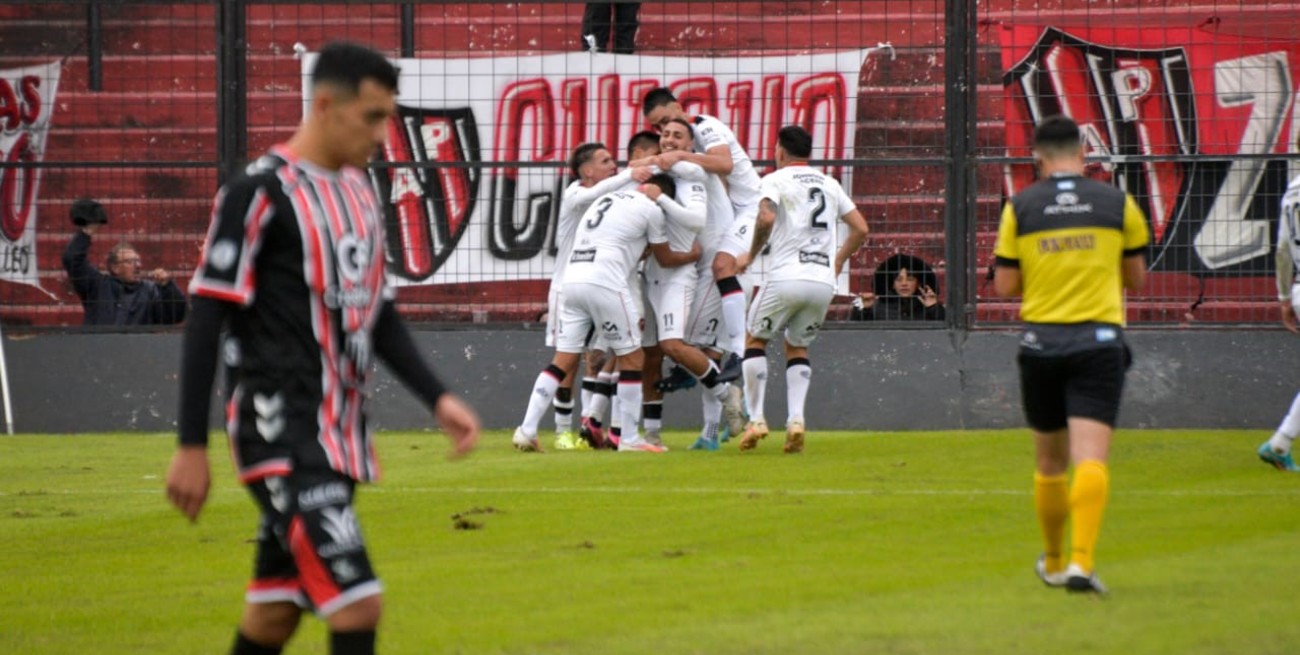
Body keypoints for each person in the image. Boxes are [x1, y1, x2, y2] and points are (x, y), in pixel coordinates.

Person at [164, 42, 480, 655]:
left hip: (337, 434)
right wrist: (189, 447)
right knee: (358, 603)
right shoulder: (257, 192)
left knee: (274, 613)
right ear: (326, 105)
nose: (383, 134)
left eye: (389, 116)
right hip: (281, 434)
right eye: (372, 117)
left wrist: (437, 397)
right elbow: (207, 313)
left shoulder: (360, 192)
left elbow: (376, 312)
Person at [992, 115, 1149, 595]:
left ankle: (1055, 561)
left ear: (1037, 156)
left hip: (1041, 344)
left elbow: (1006, 286)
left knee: (1050, 465)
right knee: (1091, 459)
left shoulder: (1020, 207)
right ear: (1083, 152)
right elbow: (1137, 279)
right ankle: (1082, 562)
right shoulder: (1118, 203)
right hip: (1097, 342)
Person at [511, 175, 699, 453]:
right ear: (662, 195)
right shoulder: (653, 209)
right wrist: (694, 254)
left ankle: (527, 429)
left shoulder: (605, 200)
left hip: (573, 281)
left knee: (562, 360)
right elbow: (665, 258)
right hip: (606, 282)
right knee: (633, 357)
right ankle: (630, 439)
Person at [735, 126, 868, 454]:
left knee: (754, 339)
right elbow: (861, 228)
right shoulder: (829, 183)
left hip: (786, 276)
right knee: (797, 347)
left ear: (779, 150)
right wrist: (838, 260)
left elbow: (766, 218)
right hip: (822, 282)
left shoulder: (774, 180)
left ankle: (757, 420)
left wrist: (750, 255)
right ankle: (796, 421)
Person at [642, 87, 764, 383]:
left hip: (754, 207)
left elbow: (724, 164)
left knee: (721, 266)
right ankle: (704, 363)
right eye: (658, 127)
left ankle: (738, 351)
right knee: (713, 281)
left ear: (678, 106)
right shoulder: (689, 144)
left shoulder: (705, 125)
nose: (663, 130)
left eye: (665, 120)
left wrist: (679, 155)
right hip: (737, 211)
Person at [546, 142, 650, 450]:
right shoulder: (577, 194)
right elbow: (608, 187)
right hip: (568, 286)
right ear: (587, 171)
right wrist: (633, 171)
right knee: (568, 360)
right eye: (605, 161)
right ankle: (562, 429)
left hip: (601, 284)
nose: (613, 165)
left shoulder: (612, 197)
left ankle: (594, 426)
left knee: (603, 355)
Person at [61, 198, 187, 326]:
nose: (137, 266)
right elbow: (72, 259)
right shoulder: (97, 286)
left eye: (138, 261)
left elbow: (175, 315)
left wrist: (168, 287)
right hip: (100, 345)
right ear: (115, 267)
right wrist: (87, 231)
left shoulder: (151, 291)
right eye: (130, 261)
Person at [1256, 152, 1300, 471]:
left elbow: (1283, 250)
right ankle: (1279, 442)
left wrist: (1285, 297)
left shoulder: (1292, 191)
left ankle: (1280, 443)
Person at [850, 253, 945, 321]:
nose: (904, 283)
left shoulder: (928, 307)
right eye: (898, 279)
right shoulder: (877, 307)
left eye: (910, 279)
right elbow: (855, 333)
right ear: (892, 284)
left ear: (918, 283)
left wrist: (933, 308)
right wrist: (863, 309)